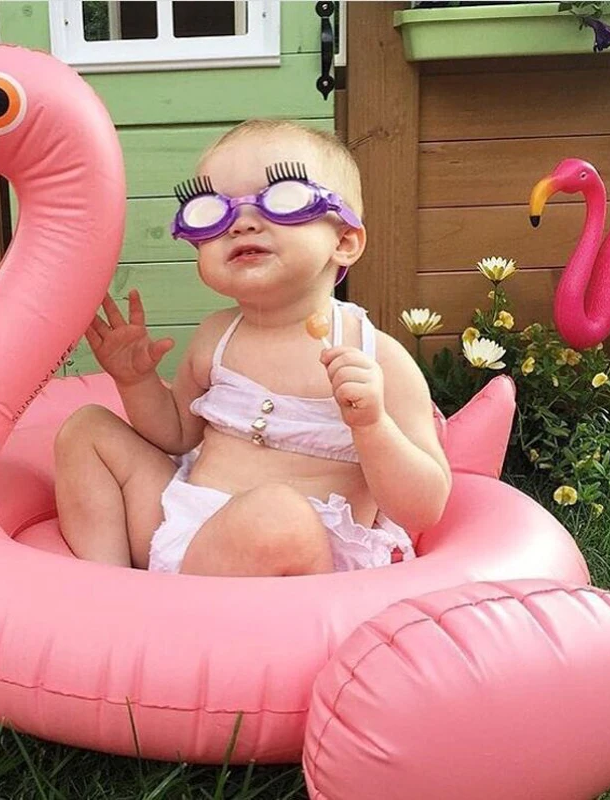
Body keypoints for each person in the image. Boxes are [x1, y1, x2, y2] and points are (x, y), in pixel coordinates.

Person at [54, 119, 451, 577]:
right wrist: (136, 380)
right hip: (186, 526)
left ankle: (173, 607)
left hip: (291, 559)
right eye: (213, 211)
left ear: (344, 241)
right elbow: (177, 436)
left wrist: (372, 425)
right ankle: (105, 586)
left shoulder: (375, 358)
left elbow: (424, 507)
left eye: (282, 200)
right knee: (86, 429)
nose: (241, 223)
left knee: (276, 513)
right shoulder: (216, 336)